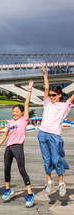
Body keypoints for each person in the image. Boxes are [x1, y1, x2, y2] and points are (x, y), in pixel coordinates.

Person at [0, 80, 35, 207]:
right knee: (6, 168)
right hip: (9, 147)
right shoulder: (10, 122)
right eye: (14, 111)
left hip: (18, 146)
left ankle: (29, 194)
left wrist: (29, 90)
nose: (15, 113)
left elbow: (26, 103)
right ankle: (8, 189)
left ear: (22, 113)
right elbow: (5, 134)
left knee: (21, 169)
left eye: (17, 111)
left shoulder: (24, 119)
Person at [38, 65, 74, 196]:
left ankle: (61, 183)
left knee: (56, 159)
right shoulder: (47, 103)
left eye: (54, 95)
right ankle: (49, 181)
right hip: (42, 133)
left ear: (59, 95)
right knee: (46, 159)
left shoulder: (64, 106)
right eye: (51, 95)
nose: (51, 97)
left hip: (55, 135)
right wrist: (45, 75)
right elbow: (46, 88)